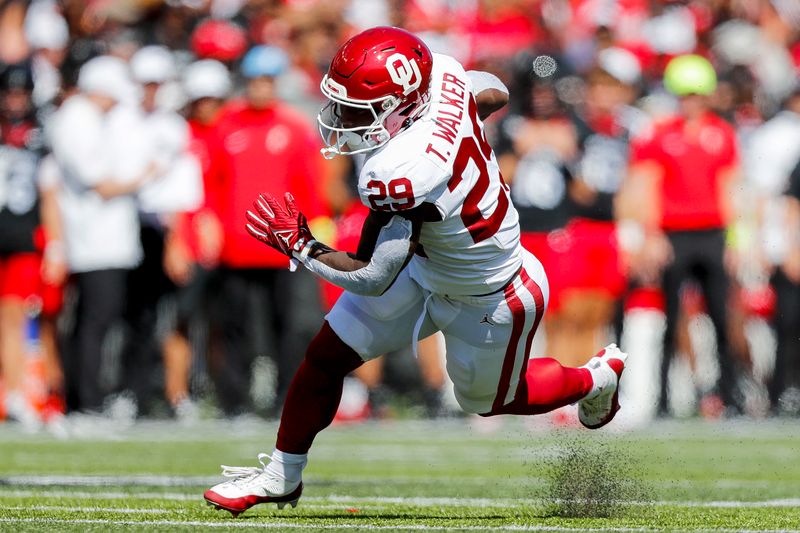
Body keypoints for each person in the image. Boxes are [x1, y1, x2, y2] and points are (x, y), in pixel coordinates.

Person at [204, 27, 627, 516]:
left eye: (360, 110)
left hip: (490, 291)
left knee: (488, 401)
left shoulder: (404, 169)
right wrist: (464, 125)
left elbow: (372, 275)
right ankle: (281, 475)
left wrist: (301, 245)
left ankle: (594, 378)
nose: (342, 119)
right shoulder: (440, 75)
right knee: (326, 356)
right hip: (426, 265)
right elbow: (495, 90)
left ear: (400, 106)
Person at [209, 45, 327, 416]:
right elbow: (212, 183)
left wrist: (316, 230)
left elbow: (310, 187)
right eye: (255, 80)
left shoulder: (293, 129)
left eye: (267, 81)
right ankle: (235, 401)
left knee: (289, 327)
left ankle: (284, 398)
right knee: (237, 326)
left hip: (283, 246)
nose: (261, 88)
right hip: (237, 245)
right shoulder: (226, 126)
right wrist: (208, 223)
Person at [624, 54, 742, 416]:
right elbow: (647, 186)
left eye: (697, 94)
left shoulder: (721, 134)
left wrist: (736, 240)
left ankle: (729, 396)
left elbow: (729, 187)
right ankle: (660, 399)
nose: (691, 100)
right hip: (675, 234)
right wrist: (653, 235)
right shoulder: (660, 134)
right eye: (685, 93)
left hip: (712, 232)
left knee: (722, 317)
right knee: (670, 317)